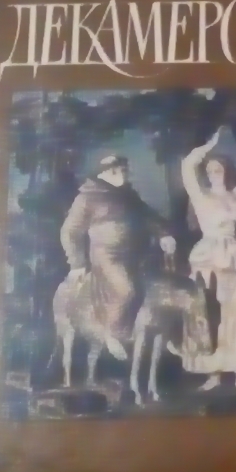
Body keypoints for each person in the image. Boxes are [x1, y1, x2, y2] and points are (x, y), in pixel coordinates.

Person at [59, 155, 176, 361]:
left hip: (136, 256)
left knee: (156, 289)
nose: (121, 174)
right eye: (115, 170)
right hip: (106, 256)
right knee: (126, 289)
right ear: (102, 174)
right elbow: (70, 231)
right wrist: (76, 263)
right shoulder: (87, 197)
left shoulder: (129, 196)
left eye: (123, 170)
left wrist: (164, 234)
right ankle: (112, 333)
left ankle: (158, 337)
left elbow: (150, 217)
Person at [179, 127, 236, 391]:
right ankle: (213, 374)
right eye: (209, 170)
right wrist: (208, 146)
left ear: (226, 171)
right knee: (209, 314)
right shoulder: (201, 195)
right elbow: (187, 166)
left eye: (218, 169)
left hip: (234, 255)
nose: (213, 173)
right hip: (208, 256)